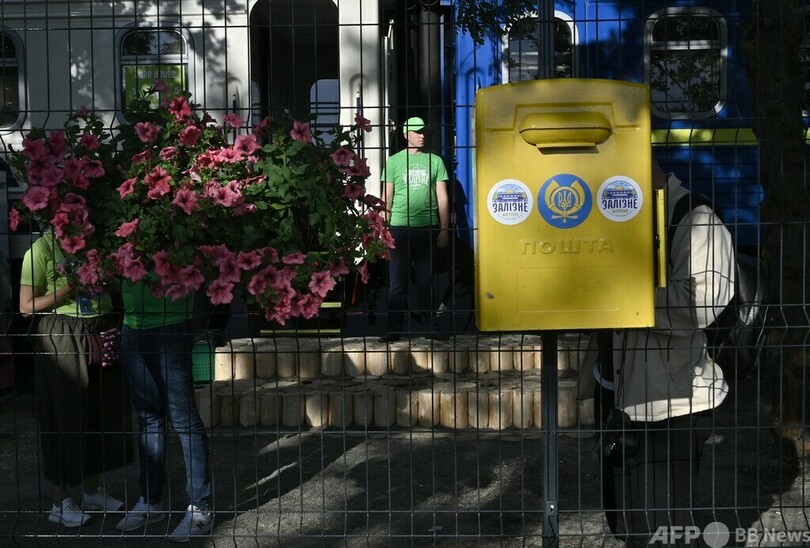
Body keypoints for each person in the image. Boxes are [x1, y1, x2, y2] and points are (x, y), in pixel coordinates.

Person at [584, 159, 735, 547]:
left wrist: (622, 296)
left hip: (671, 403)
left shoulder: (695, 218)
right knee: (627, 521)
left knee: (666, 527)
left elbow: (702, 303)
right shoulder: (617, 216)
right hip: (618, 393)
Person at [19, 231, 130, 527]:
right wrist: (69, 289)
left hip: (99, 329)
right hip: (62, 334)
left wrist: (108, 281)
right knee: (63, 414)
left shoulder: (94, 244)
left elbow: (116, 288)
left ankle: (92, 491)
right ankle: (60, 501)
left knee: (99, 412)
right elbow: (25, 306)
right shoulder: (40, 249)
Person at [115, 280, 213, 541]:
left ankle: (200, 508)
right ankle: (151, 500)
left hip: (171, 322)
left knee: (184, 420)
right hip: (132, 323)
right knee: (148, 417)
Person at [378, 116, 451, 342]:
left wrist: (444, 229)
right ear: (405, 134)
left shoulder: (435, 161)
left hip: (427, 228)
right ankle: (394, 331)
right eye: (417, 131)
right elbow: (387, 197)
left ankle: (431, 329)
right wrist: (383, 229)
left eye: (424, 131)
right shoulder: (393, 162)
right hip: (399, 228)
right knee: (397, 284)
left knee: (425, 282)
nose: (422, 135)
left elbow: (442, 197)